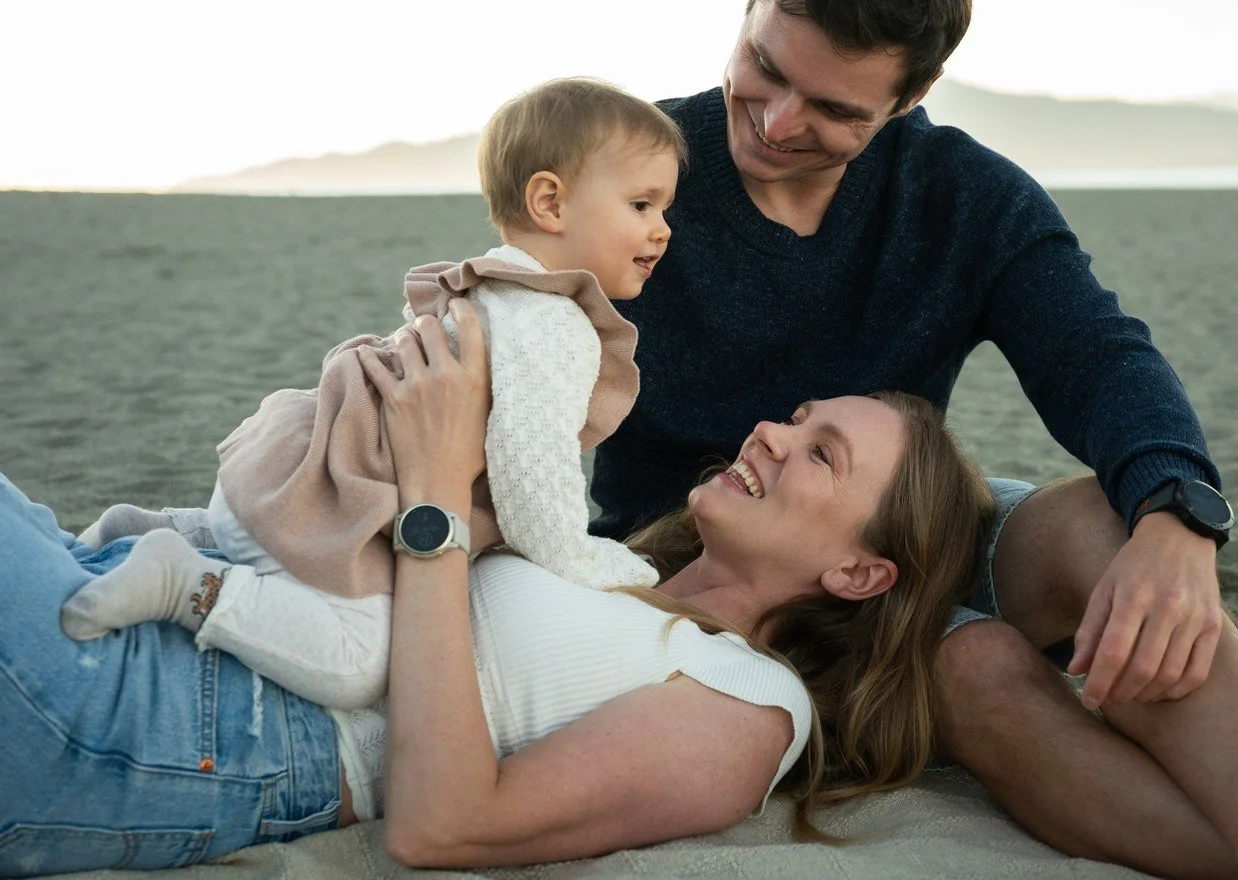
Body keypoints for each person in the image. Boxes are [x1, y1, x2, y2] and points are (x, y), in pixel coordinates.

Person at [586, 0, 1238, 879]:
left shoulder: (962, 194)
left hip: (897, 522)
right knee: (971, 661)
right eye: (764, 69)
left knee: (1104, 519)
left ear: (910, 96)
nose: (778, 122)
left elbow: (1094, 351)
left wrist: (1177, 519)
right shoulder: (630, 172)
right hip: (720, 563)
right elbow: (503, 376)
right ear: (749, 9)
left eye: (832, 109)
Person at [0, 299, 996, 875]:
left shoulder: (749, 709)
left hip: (183, 724)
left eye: (820, 453)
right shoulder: (614, 566)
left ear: (860, 572)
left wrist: (432, 497)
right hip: (141, 595)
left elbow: (446, 823)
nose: (772, 432)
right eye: (796, 414)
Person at [59, 78, 675, 710]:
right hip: (333, 501)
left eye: (664, 210)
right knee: (359, 666)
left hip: (285, 474)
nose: (662, 231)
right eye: (641, 205)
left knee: (275, 561)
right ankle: (181, 581)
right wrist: (583, 562)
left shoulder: (492, 285)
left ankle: (150, 530)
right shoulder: (552, 323)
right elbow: (532, 464)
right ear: (549, 202)